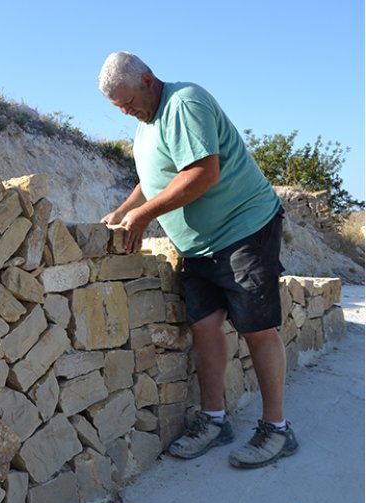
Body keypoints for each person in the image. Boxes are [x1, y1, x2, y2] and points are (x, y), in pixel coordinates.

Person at [97, 51, 298, 469]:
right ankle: (214, 420)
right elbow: (155, 178)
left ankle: (277, 429)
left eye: (127, 100)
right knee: (205, 327)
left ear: (148, 80)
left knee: (257, 328)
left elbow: (204, 172)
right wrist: (123, 209)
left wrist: (144, 216)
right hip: (200, 246)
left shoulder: (184, 102)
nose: (125, 110)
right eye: (117, 106)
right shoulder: (146, 124)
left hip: (244, 229)